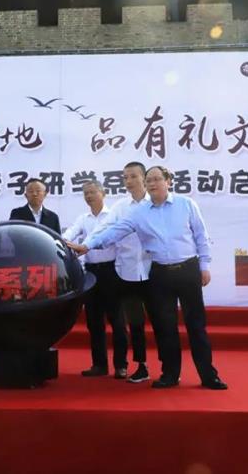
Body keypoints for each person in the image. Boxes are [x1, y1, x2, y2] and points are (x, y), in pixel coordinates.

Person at [71, 166, 227, 390]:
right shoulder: (138, 212)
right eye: (149, 180)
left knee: (196, 325)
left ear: (168, 181)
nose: (152, 183)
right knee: (166, 326)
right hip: (160, 273)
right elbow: (113, 231)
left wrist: (205, 266)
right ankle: (170, 375)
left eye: (156, 179)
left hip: (188, 270)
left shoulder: (186, 204)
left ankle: (208, 376)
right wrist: (87, 245)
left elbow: (201, 236)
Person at [63, 181, 128, 379]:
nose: (89, 196)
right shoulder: (83, 219)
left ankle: (121, 365)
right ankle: (99, 365)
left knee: (117, 320)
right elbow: (69, 233)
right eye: (86, 193)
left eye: (92, 192)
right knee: (94, 321)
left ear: (103, 193)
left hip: (112, 271)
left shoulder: (113, 216)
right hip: (90, 273)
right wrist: (62, 241)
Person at [103, 161, 153, 384]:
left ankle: (170, 369)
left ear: (144, 178)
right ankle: (141, 365)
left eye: (133, 176)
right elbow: (104, 229)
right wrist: (86, 244)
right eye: (125, 177)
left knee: (163, 321)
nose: (129, 181)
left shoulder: (157, 203)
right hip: (127, 272)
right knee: (135, 322)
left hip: (155, 272)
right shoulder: (120, 207)